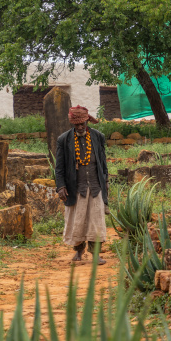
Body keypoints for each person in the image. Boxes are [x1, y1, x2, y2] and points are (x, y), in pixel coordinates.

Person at [55, 105, 108, 264]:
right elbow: (59, 167)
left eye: (82, 124)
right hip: (75, 188)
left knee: (95, 222)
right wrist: (61, 186)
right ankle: (78, 251)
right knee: (77, 222)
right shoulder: (64, 139)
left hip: (95, 187)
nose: (79, 127)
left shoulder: (98, 136)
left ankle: (95, 254)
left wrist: (105, 183)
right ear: (72, 124)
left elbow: (103, 164)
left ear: (87, 121)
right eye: (76, 125)